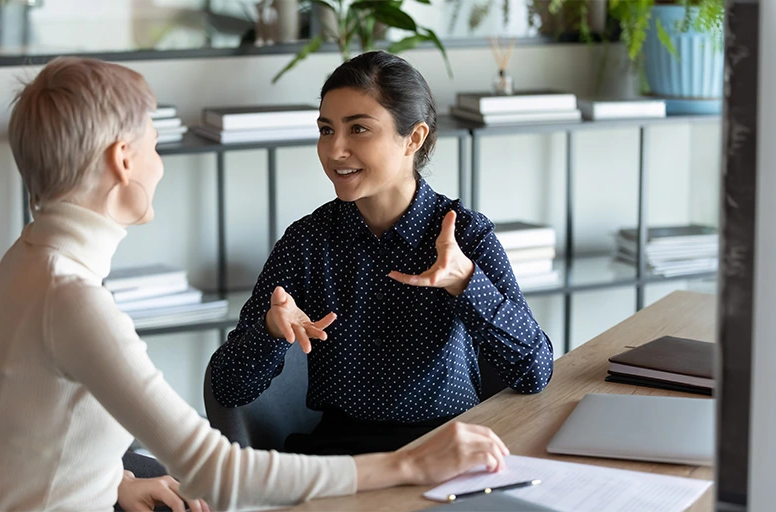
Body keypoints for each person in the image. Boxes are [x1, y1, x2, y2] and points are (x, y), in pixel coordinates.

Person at [0, 56, 511, 512]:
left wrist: (115, 485)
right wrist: (410, 463)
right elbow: (216, 467)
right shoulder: (73, 300)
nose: (161, 163)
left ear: (413, 139)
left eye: (358, 129)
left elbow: (38, 438)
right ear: (124, 161)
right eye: (153, 143)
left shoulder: (28, 261)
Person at [210, 51, 554, 456]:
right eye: (326, 130)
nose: (335, 149)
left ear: (414, 138)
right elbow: (227, 388)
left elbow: (535, 372)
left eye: (358, 129)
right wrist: (270, 331)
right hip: (343, 459)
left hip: (451, 447)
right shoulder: (306, 242)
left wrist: (466, 282)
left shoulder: (467, 236)